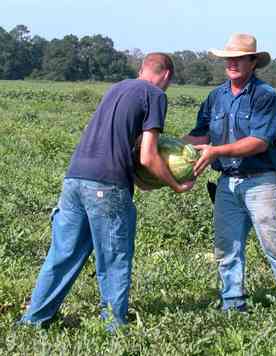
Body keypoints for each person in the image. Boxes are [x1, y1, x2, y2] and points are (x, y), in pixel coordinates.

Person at [19, 53, 194, 331]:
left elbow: (124, 147)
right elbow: (148, 156)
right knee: (114, 258)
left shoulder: (117, 88)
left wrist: (140, 180)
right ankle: (113, 327)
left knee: (63, 254)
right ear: (167, 76)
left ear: (141, 69)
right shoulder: (155, 95)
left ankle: (33, 320)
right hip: (107, 187)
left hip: (74, 179)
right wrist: (177, 185)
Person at [184, 33, 276, 311]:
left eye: (240, 58)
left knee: (275, 245)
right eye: (229, 58)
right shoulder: (215, 97)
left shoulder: (266, 97)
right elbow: (199, 134)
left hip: (261, 183)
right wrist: (163, 147)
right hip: (227, 183)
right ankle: (232, 304)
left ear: (253, 62)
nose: (233, 63)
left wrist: (216, 151)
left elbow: (259, 142)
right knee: (226, 247)